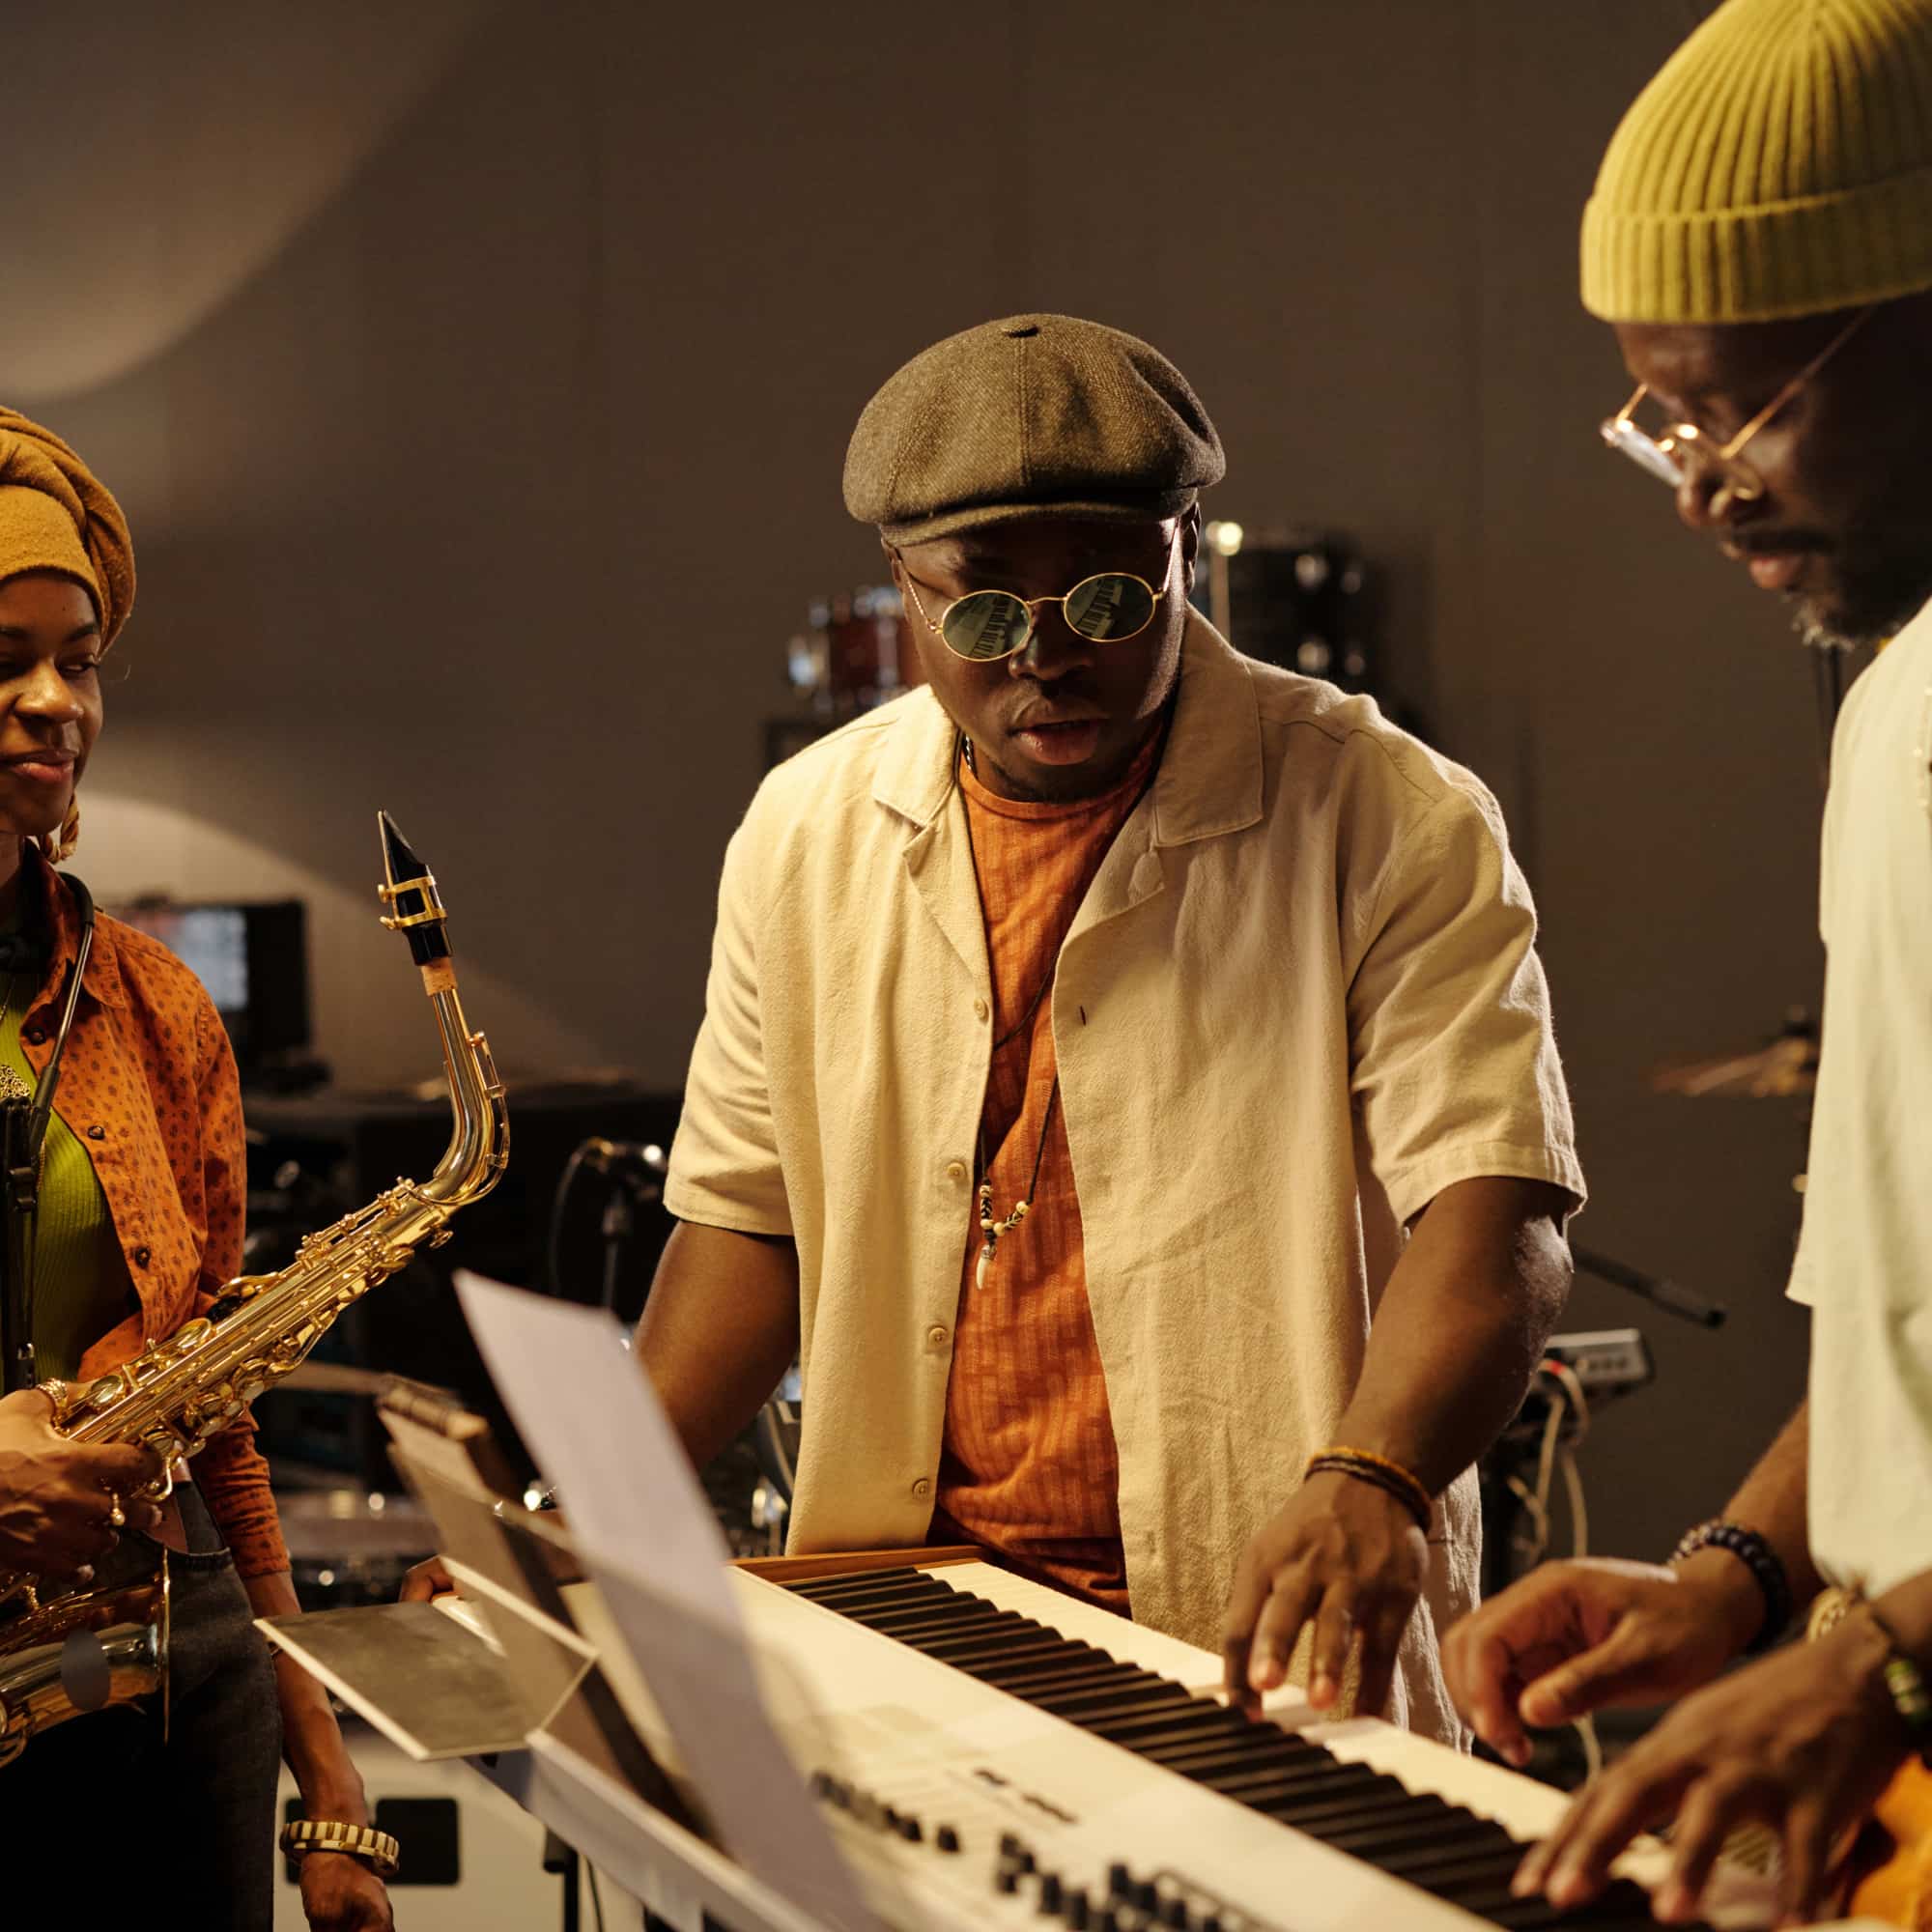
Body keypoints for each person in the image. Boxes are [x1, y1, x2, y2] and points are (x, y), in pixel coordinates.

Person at [642, 312, 1582, 1742]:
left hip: (1247, 1630)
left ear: (1185, 549)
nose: (1047, 659)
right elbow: (745, 1224)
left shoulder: (1391, 813)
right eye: (980, 612)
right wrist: (587, 1512)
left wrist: (1375, 1478)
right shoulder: (804, 829)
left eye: (1105, 599)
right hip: (908, 1615)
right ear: (900, 584)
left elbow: (1495, 1207)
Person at [1441, 2, 1932, 1922]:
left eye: (1739, 408)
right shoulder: (1890, 700)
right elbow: (1905, 1339)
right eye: (1663, 418)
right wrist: (1737, 1577)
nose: (1699, 484)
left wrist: (1882, 1665)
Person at [0, 410, 391, 1929]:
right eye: (4, 658)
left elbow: (217, 1407)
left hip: (171, 1676)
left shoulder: (156, 1001)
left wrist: (326, 1769)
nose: (54, 703)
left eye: (79, 660)